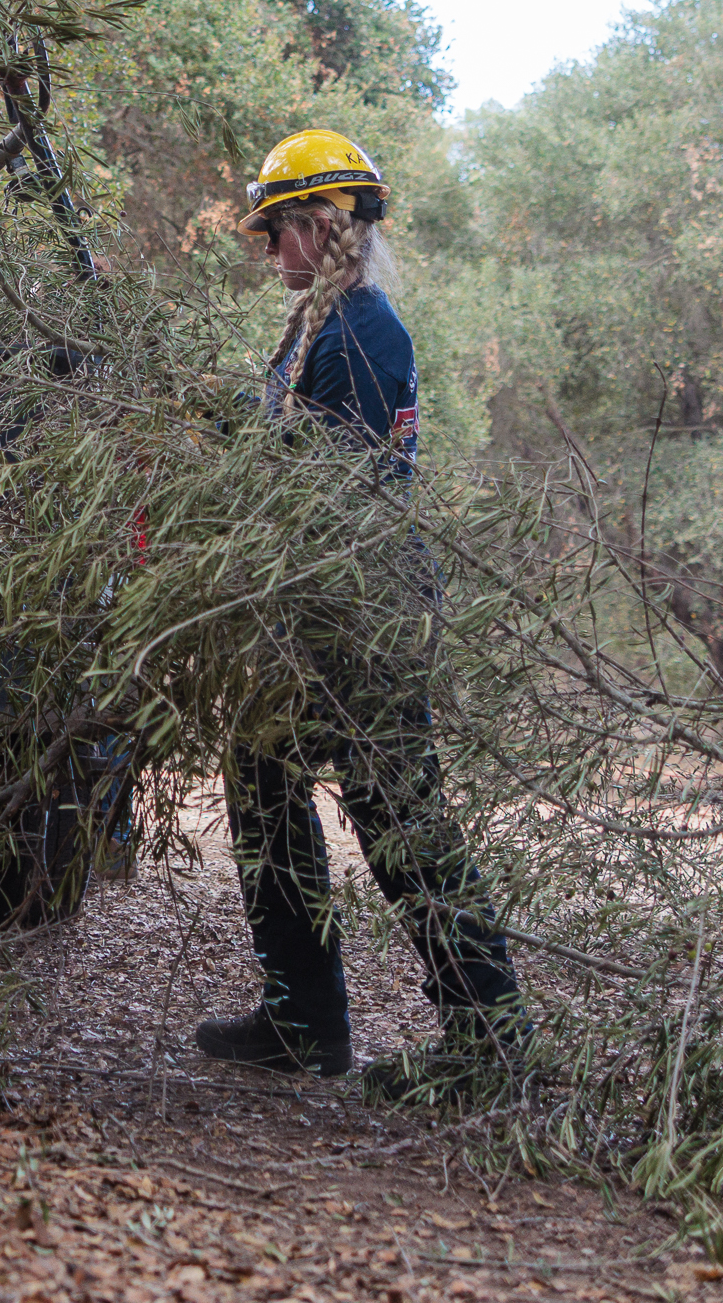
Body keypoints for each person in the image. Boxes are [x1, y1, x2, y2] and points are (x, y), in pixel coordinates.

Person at [191, 128, 524, 1102]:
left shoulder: (364, 329)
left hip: (360, 610)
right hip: (305, 606)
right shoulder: (314, 327)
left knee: (399, 816)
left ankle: (489, 1039)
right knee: (260, 785)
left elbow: (336, 482)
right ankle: (304, 1022)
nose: (267, 252)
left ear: (320, 225)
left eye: (277, 232)